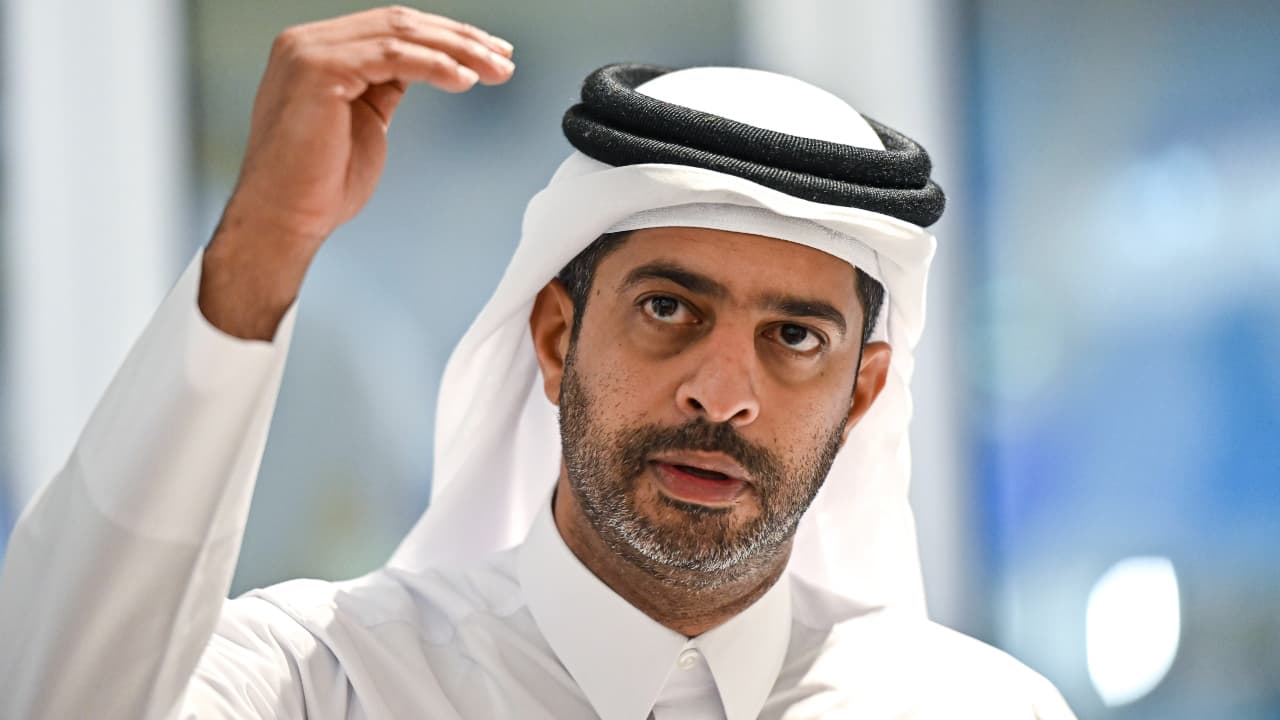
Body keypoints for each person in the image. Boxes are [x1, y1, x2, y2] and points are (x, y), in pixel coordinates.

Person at [0, 6, 1075, 719]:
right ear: (557, 338)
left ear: (862, 394)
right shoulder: (326, 679)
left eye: (794, 339)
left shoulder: (977, 710)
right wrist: (263, 246)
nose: (720, 394)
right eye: (667, 309)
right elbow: (62, 699)